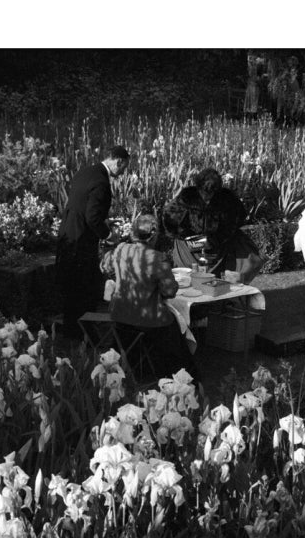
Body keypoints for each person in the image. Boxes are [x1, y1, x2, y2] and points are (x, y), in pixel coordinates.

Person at [102, 214, 199, 382]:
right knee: (175, 326)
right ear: (154, 235)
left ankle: (144, 365)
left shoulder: (120, 250)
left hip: (120, 316)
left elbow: (104, 266)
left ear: (133, 232)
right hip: (148, 319)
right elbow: (170, 291)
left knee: (165, 325)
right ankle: (184, 375)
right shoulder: (156, 257)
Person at [55, 145, 130, 338]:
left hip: (68, 234)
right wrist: (108, 235)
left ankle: (72, 329)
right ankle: (84, 333)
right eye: (123, 168)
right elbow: (92, 217)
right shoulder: (101, 182)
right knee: (83, 287)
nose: (122, 173)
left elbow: (81, 205)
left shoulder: (86, 172)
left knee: (70, 287)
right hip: (81, 241)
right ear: (118, 161)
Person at [163, 167, 263, 283]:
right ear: (198, 187)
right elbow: (169, 219)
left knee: (220, 279)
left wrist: (217, 239)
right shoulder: (187, 196)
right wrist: (186, 236)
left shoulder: (227, 198)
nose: (207, 196)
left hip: (218, 247)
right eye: (204, 192)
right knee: (191, 278)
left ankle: (222, 297)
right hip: (188, 247)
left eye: (211, 193)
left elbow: (239, 219)